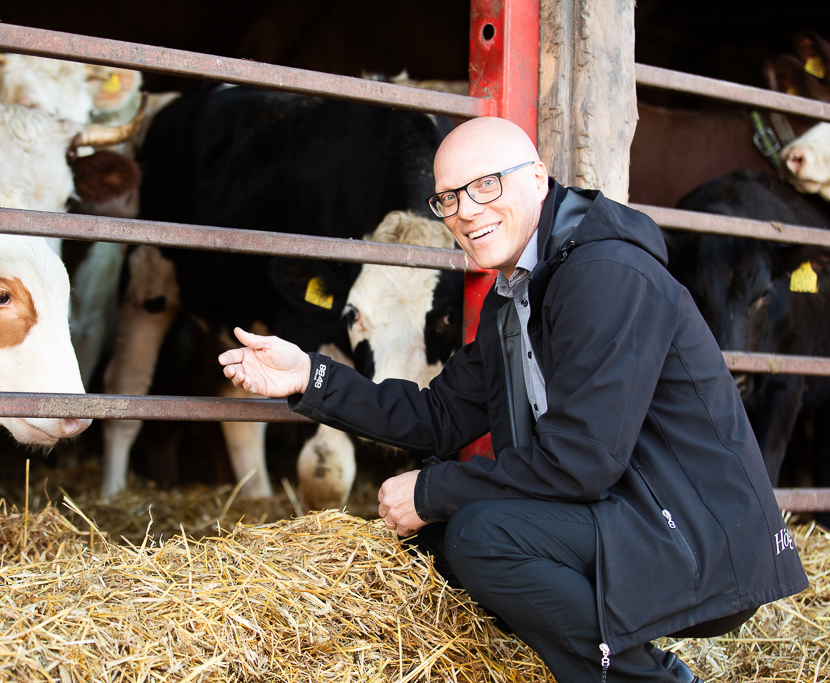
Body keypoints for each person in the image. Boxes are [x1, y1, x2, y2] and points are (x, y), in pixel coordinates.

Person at [217, 116, 807, 683]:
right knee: (441, 537)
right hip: (633, 513)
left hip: (700, 538)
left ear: (537, 177)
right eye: (448, 198)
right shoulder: (516, 295)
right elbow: (439, 415)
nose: (466, 211)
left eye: (485, 185)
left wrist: (431, 489)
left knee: (481, 538)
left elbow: (583, 461)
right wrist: (310, 377)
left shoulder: (607, 273)